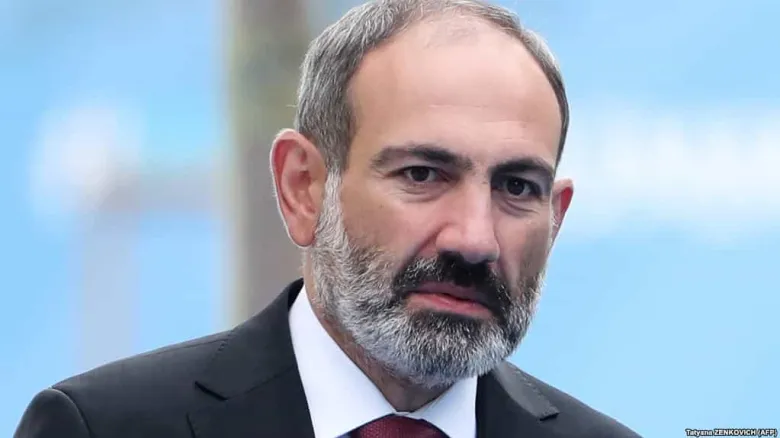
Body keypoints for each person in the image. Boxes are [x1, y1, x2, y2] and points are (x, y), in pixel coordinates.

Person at [15, 0, 641, 437]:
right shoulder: (104, 427)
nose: (474, 239)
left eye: (516, 187)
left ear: (555, 218)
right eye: (423, 174)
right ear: (303, 188)